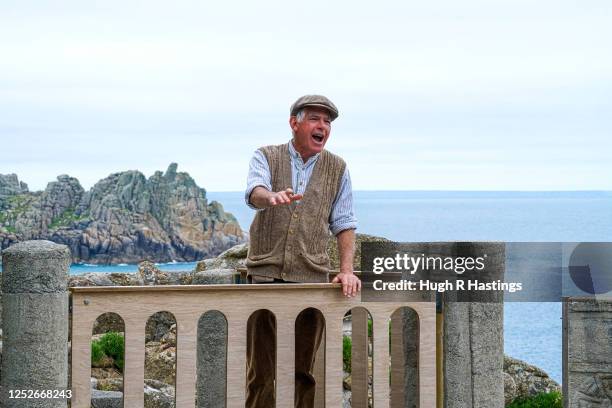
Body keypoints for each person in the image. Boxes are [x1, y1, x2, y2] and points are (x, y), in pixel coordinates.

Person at [244, 94, 361, 408]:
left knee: (302, 373)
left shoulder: (338, 167)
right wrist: (269, 197)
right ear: (294, 122)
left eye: (327, 121)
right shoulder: (266, 156)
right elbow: (255, 192)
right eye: (315, 118)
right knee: (261, 374)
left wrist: (347, 270)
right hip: (265, 277)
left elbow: (345, 222)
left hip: (311, 280)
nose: (322, 125)